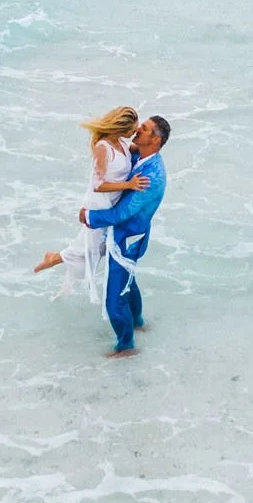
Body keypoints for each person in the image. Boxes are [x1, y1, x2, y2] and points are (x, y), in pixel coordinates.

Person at [32, 106, 151, 301]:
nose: (134, 133)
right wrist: (129, 184)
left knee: (98, 247)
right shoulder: (103, 148)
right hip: (100, 203)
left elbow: (140, 149)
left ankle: (55, 257)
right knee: (92, 248)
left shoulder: (122, 143)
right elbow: (98, 185)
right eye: (132, 130)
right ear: (121, 128)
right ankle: (54, 258)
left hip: (113, 203)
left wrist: (152, 142)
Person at [80, 115, 170, 357]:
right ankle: (139, 322)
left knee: (114, 299)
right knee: (128, 281)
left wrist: (90, 217)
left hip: (127, 237)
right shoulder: (141, 154)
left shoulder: (152, 176)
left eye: (145, 128)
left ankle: (126, 346)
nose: (138, 129)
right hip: (133, 234)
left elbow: (124, 212)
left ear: (156, 140)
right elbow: (123, 149)